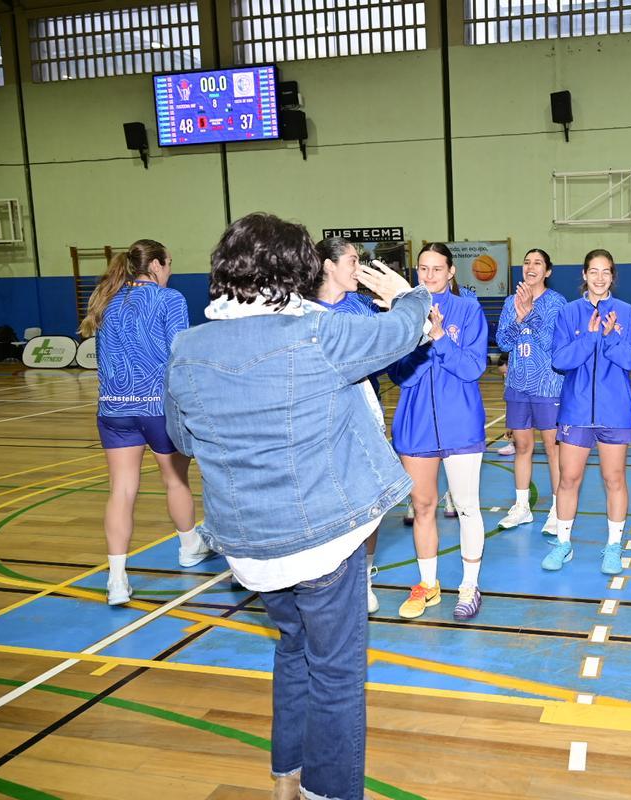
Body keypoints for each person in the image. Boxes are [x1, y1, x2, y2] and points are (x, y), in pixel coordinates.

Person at [165, 212, 429, 800]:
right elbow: (402, 331)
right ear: (297, 272)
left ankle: (287, 776)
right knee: (336, 674)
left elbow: (182, 439)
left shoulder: (187, 345)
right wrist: (408, 295)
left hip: (248, 552)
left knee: (294, 650)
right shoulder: (316, 334)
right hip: (322, 544)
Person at [80, 239, 201, 606]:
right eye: (169, 265)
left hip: (114, 408)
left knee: (121, 489)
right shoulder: (170, 300)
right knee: (175, 480)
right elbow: (177, 355)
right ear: (158, 265)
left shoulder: (107, 299)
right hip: (156, 405)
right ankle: (188, 546)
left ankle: (117, 581)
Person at [388, 243, 489, 622]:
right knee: (424, 506)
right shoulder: (403, 313)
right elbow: (397, 373)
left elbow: (472, 367)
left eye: (437, 269)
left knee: (466, 507)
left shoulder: (468, 310)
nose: (429, 276)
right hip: (415, 424)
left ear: (450, 273)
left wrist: (440, 337)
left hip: (460, 422)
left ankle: (469, 584)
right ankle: (428, 584)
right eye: (423, 269)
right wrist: (418, 341)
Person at [544, 249, 631, 573]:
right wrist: (589, 337)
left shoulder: (626, 313)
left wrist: (612, 336)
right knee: (568, 478)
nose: (600, 278)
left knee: (614, 478)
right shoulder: (569, 313)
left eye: (606, 272)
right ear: (584, 275)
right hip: (576, 410)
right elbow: (560, 360)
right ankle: (563, 544)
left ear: (613, 276)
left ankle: (613, 546)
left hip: (615, 410)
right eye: (594, 271)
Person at [313, 236, 385, 614]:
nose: (359, 268)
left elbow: (385, 358)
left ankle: (365, 578)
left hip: (361, 409)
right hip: (316, 416)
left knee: (368, 499)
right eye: (353, 261)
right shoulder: (303, 310)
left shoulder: (362, 308)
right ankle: (324, 577)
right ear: (328, 265)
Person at [495, 248, 567, 535]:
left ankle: (557, 509)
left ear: (547, 271)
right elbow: (502, 342)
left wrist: (531, 316)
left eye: (537, 263)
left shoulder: (557, 303)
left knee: (553, 449)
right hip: (517, 384)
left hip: (548, 384)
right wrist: (518, 317)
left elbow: (553, 343)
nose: (531, 267)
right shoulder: (510, 302)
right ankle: (522, 507)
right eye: (526, 262)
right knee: (523, 447)